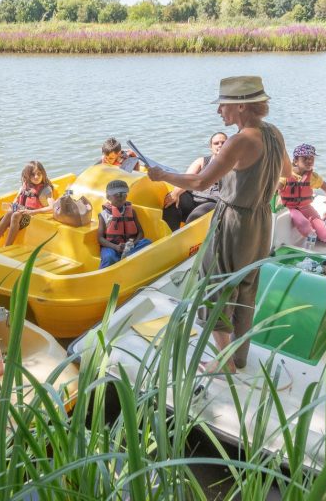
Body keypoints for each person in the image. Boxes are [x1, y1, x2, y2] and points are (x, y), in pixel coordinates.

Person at [148, 75, 289, 373]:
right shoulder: (274, 133)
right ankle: (238, 357)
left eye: (222, 105)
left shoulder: (240, 140)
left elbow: (200, 181)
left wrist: (163, 176)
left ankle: (224, 362)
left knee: (214, 285)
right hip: (262, 219)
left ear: (240, 107)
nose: (218, 111)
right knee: (246, 286)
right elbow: (286, 172)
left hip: (235, 220)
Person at [279, 143, 326, 245]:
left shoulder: (313, 177)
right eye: (305, 158)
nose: (309, 161)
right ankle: (316, 233)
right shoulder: (285, 175)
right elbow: (272, 188)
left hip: (306, 207)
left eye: (312, 158)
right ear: (295, 161)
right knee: (304, 224)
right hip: (290, 208)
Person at [162, 131, 228, 232]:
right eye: (216, 143)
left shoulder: (233, 165)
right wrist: (175, 194)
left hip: (212, 202)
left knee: (197, 214)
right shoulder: (201, 161)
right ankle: (168, 234)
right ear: (211, 147)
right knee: (170, 201)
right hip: (193, 198)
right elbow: (186, 179)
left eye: (223, 142)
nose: (220, 145)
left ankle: (185, 239)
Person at [0, 161, 56, 250]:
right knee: (10, 212)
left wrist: (32, 211)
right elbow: (17, 199)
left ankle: (7, 247)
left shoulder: (45, 190)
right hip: (22, 212)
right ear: (27, 176)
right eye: (32, 175)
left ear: (43, 173)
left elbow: (52, 208)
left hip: (34, 216)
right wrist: (12, 205)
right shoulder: (25, 185)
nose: (36, 177)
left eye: (39, 174)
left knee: (15, 215)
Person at [97, 180, 152, 268]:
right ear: (108, 196)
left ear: (126, 195)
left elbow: (141, 233)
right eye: (116, 194)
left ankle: (127, 256)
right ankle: (103, 277)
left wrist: (133, 244)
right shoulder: (103, 215)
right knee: (109, 257)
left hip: (130, 246)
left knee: (147, 242)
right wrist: (115, 247)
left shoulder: (132, 211)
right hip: (112, 247)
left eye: (123, 194)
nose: (120, 197)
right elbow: (100, 238)